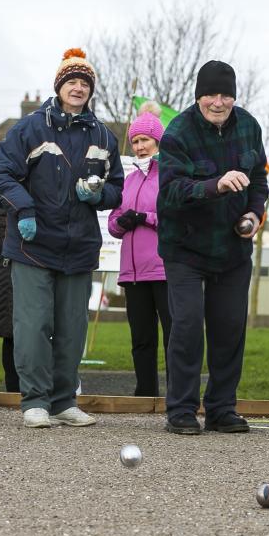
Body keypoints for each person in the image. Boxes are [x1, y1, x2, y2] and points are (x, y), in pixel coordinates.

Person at [0, 48, 124, 428]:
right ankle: (35, 400)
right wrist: (25, 209)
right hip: (32, 245)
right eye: (72, 82)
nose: (78, 88)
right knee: (33, 325)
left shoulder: (103, 135)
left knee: (71, 329)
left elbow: (118, 188)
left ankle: (64, 401)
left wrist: (98, 195)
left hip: (79, 247)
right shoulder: (30, 128)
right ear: (59, 86)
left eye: (85, 83)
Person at [158, 60, 268, 435]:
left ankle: (221, 408)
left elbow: (259, 182)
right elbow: (170, 192)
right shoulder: (178, 132)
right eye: (211, 95)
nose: (218, 102)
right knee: (187, 325)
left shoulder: (249, 126)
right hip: (185, 247)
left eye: (226, 95)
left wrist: (253, 215)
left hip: (233, 249)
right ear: (198, 96)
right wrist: (215, 185)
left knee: (229, 327)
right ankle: (181, 409)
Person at [108, 111, 172, 397]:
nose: (140, 146)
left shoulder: (169, 176)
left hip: (163, 270)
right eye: (135, 141)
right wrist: (122, 222)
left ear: (157, 141)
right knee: (141, 338)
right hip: (132, 273)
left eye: (145, 139)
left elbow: (175, 217)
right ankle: (145, 393)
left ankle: (178, 393)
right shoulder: (128, 180)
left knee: (173, 336)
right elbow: (113, 222)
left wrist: (145, 217)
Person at [0, 206, 18, 392]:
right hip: (9, 263)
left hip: (39, 259)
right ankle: (14, 391)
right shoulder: (3, 181)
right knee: (12, 333)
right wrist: (12, 244)